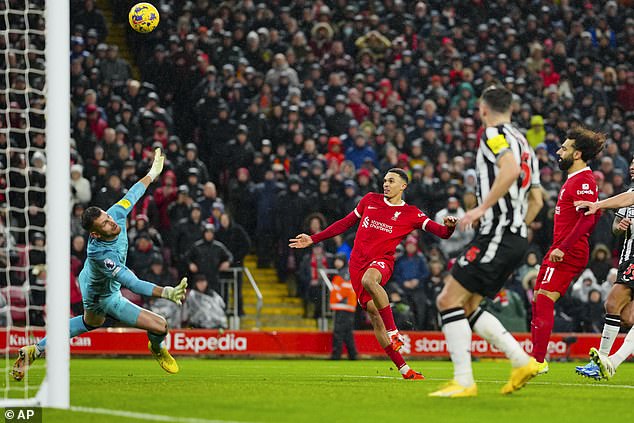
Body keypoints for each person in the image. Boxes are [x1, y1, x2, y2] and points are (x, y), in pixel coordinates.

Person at [12, 149, 188, 381]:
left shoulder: (116, 213)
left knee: (161, 327)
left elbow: (134, 193)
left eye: (108, 216)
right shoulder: (100, 254)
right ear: (95, 234)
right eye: (105, 223)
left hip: (103, 282)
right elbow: (131, 283)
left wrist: (152, 173)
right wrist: (165, 291)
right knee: (92, 321)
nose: (112, 222)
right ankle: (37, 349)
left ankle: (156, 347)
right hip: (98, 293)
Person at [290, 168, 457, 380]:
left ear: (403, 186)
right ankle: (405, 370)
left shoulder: (411, 213)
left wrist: (449, 228)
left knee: (370, 280)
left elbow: (441, 233)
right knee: (375, 317)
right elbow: (345, 223)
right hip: (356, 264)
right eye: (385, 180)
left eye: (392, 181)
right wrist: (314, 238)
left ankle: (394, 332)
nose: (386, 184)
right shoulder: (369, 200)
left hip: (382, 263)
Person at [429, 85, 543, 397]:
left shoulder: (493, 134)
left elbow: (508, 170)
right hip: (513, 236)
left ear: (482, 109)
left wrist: (482, 208)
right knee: (467, 305)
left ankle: (464, 381)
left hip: (498, 233)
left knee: (446, 301)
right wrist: (518, 225)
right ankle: (521, 361)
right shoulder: (524, 142)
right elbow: (537, 199)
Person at [531, 127, 606, 374]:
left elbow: (588, 219)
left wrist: (563, 248)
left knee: (544, 300)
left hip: (568, 250)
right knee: (538, 298)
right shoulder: (573, 180)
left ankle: (537, 361)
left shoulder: (584, 180)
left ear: (577, 154)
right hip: (560, 248)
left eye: (564, 148)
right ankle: (536, 357)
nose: (559, 151)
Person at [575, 157, 634, 380]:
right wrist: (619, 228)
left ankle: (599, 361)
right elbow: (615, 229)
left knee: (612, 302)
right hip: (628, 258)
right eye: (632, 163)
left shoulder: (628, 196)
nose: (632, 166)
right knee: (628, 316)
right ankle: (610, 363)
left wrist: (598, 204)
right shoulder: (627, 194)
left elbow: (630, 198)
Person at [329, 254, 358, 361]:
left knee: (339, 332)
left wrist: (337, 297)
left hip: (343, 306)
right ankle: (353, 355)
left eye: (339, 260)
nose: (336, 262)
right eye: (336, 260)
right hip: (346, 307)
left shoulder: (344, 273)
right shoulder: (345, 272)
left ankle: (336, 355)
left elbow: (346, 288)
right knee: (347, 333)